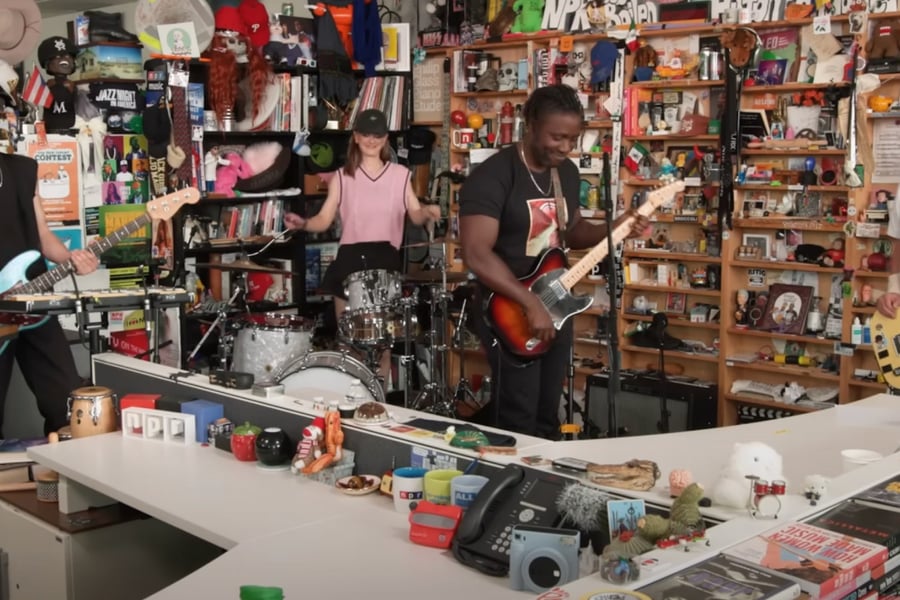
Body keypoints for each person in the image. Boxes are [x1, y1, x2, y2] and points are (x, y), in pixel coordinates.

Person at [458, 84, 649, 439]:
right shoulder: (494, 176)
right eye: (557, 137)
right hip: (507, 309)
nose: (565, 147)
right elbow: (476, 253)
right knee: (517, 414)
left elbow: (572, 231)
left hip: (555, 302)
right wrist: (530, 304)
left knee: (548, 413)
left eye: (572, 140)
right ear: (530, 124)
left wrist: (617, 227)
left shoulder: (567, 174)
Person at [283, 109, 440, 380]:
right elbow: (323, 219)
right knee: (348, 343)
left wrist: (427, 212)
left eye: (377, 135)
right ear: (356, 137)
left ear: (385, 138)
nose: (371, 140)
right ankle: (352, 405)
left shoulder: (400, 175)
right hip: (349, 262)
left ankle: (378, 406)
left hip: (385, 262)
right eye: (365, 134)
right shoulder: (342, 177)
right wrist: (304, 224)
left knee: (383, 345)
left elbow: (414, 214)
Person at [0, 151, 99, 436]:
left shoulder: (21, 169)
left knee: (66, 401)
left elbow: (42, 235)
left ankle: (68, 474)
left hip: (35, 302)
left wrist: (71, 259)